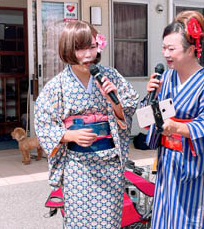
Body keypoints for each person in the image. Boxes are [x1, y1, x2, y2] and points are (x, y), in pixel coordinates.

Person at [34, 20, 139, 228]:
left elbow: (128, 107)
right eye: (80, 49)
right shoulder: (57, 86)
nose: (88, 55)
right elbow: (43, 124)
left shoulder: (111, 76)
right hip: (78, 168)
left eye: (92, 47)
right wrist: (69, 136)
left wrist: (114, 102)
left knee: (109, 222)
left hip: (109, 165)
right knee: (78, 223)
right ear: (68, 50)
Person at [145, 11, 204, 228]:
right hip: (167, 162)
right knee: (163, 215)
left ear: (192, 49)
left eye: (171, 49)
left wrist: (178, 127)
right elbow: (148, 119)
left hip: (192, 164)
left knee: (189, 218)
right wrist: (149, 98)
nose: (165, 53)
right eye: (164, 48)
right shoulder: (165, 78)